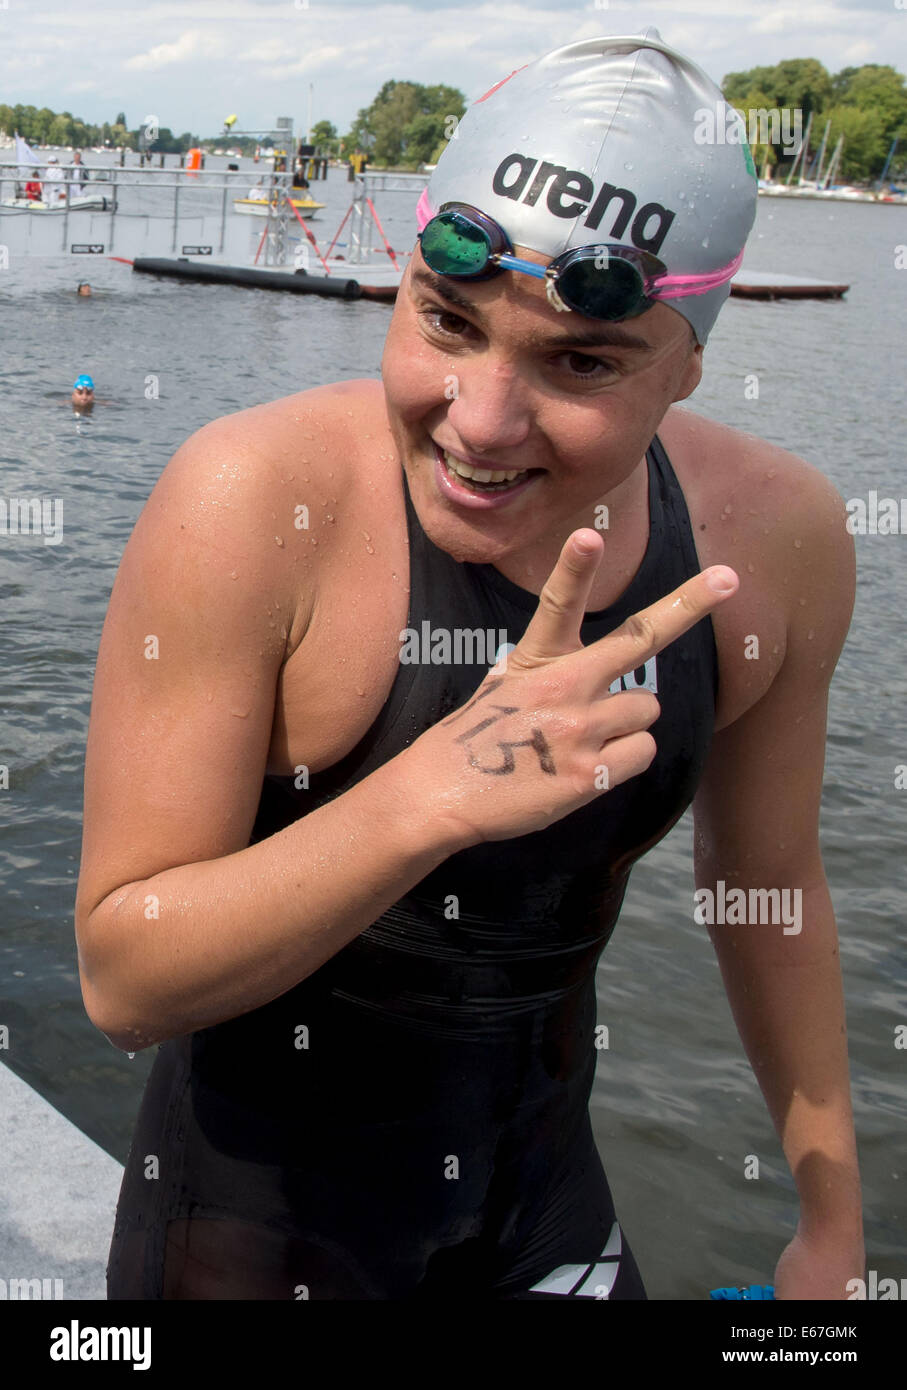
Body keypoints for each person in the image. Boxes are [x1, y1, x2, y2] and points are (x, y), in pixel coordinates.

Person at [77, 29, 864, 1300]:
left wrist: (832, 1217)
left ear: (689, 364)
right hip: (251, 1240)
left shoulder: (771, 541)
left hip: (541, 1209)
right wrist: (424, 797)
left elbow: (769, 885)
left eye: (582, 362)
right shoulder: (255, 500)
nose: (481, 421)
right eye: (447, 321)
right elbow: (123, 977)